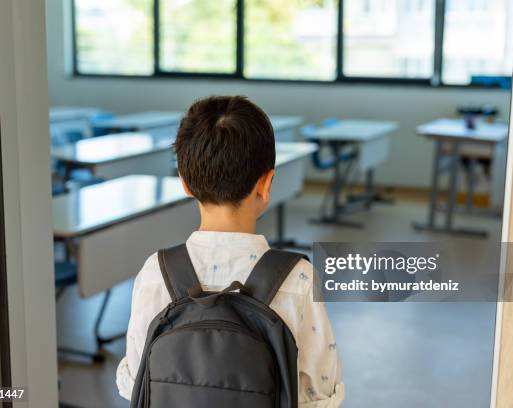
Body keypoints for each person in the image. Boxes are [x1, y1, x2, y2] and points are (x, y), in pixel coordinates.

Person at [116, 95, 344, 407]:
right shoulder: (298, 279)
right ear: (266, 184)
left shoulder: (157, 271)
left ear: (184, 183)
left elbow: (135, 385)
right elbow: (319, 396)